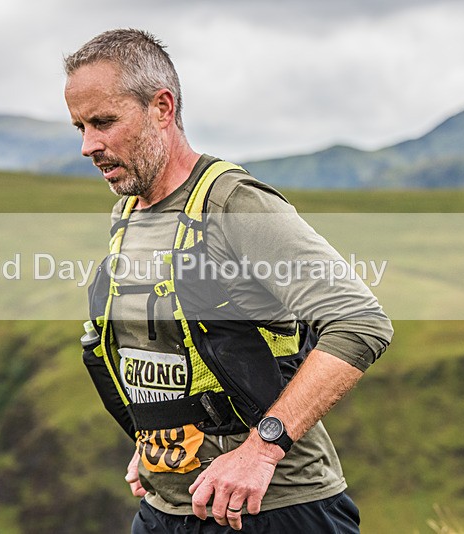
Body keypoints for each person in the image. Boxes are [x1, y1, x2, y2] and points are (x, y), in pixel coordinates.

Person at [64, 29, 393, 533]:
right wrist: (154, 439)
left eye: (104, 121)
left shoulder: (234, 204)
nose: (90, 145)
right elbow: (170, 351)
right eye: (80, 126)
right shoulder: (126, 213)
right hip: (166, 509)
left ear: (162, 108)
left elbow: (360, 321)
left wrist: (260, 452)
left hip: (274, 510)